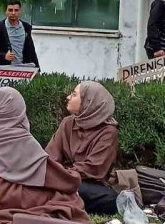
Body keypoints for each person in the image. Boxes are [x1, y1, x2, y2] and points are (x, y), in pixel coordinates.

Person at [0, 87, 90, 224]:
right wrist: (73, 178)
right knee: (65, 199)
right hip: (12, 198)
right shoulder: (23, 140)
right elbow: (50, 174)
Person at [46, 81, 120, 214]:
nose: (68, 97)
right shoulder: (67, 123)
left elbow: (93, 169)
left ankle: (56, 197)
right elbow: (51, 156)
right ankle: (60, 197)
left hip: (85, 182)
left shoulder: (108, 132)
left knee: (110, 199)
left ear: (88, 102)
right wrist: (53, 173)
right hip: (60, 177)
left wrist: (63, 175)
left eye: (74, 95)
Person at [0, 0, 39, 67]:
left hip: (24, 67)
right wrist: (3, 55)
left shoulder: (26, 27)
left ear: (20, 11)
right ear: (6, 11)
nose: (13, 13)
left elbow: (31, 48)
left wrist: (37, 68)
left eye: (16, 10)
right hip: (5, 68)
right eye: (10, 10)